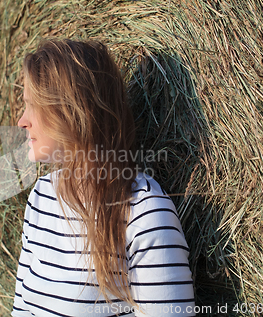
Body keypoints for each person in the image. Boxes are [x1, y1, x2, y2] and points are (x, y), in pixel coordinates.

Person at [12, 38, 195, 317]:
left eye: (32, 105)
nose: (21, 121)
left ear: (72, 111)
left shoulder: (143, 212)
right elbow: (21, 310)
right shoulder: (41, 196)